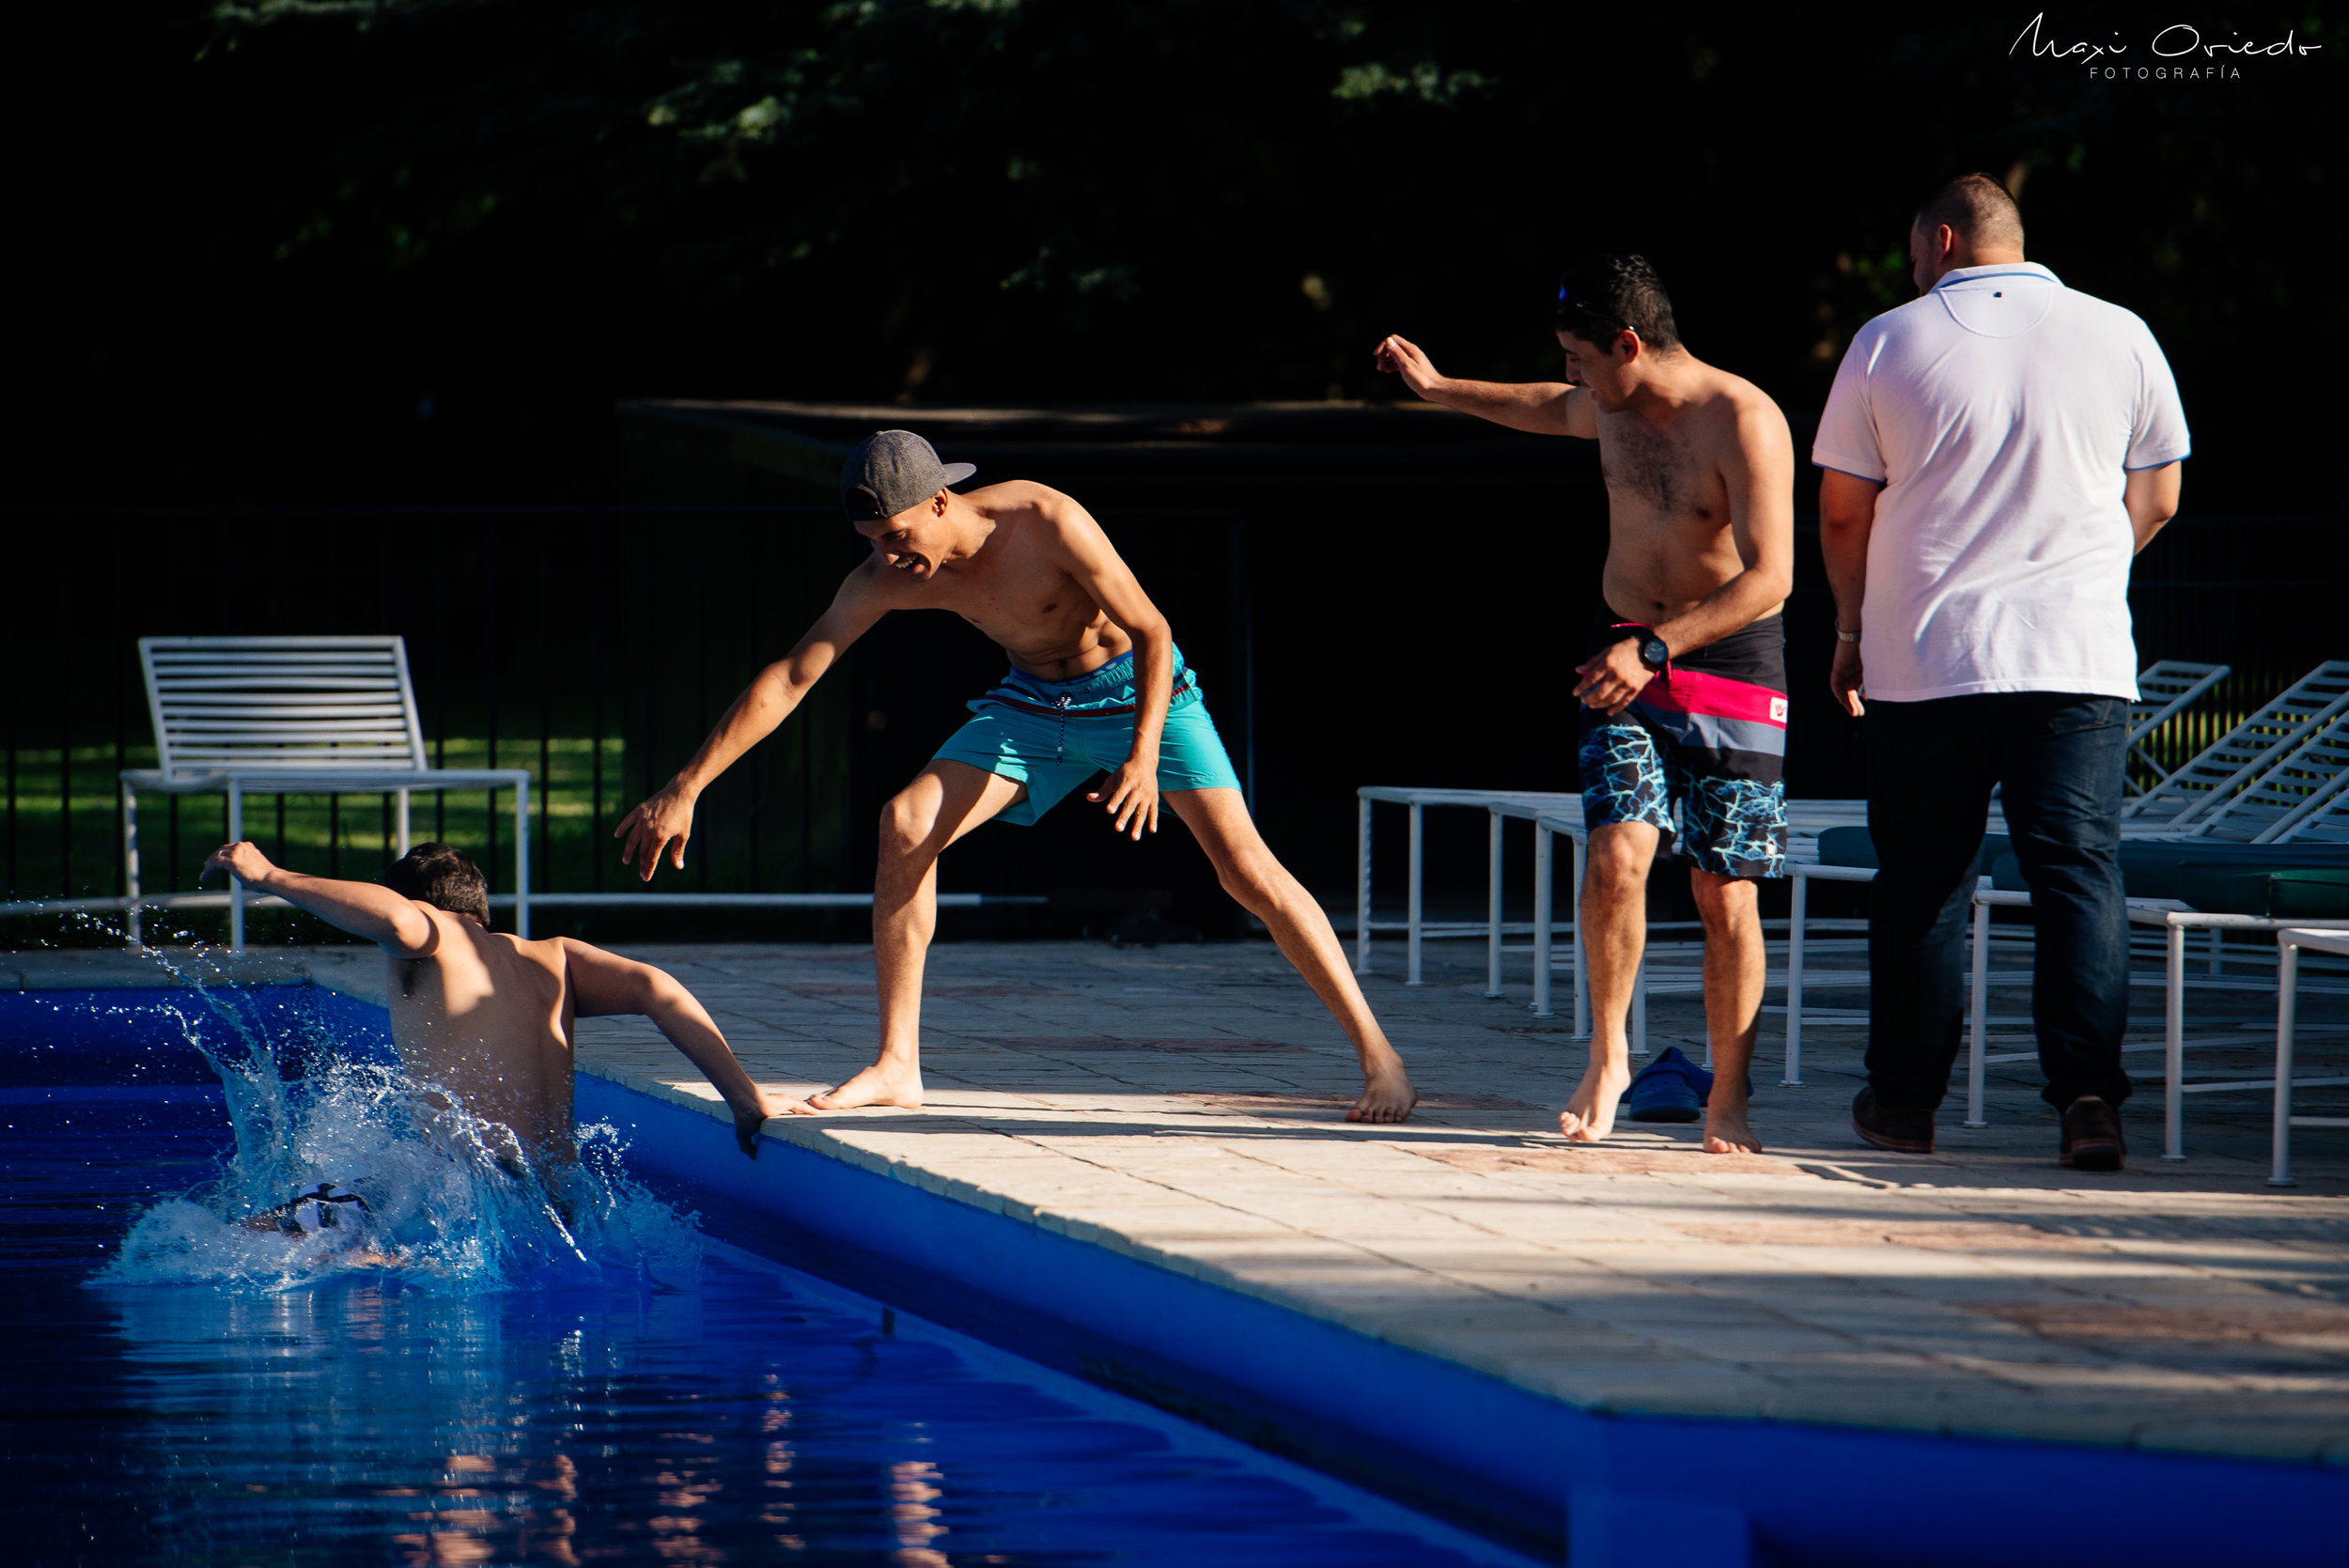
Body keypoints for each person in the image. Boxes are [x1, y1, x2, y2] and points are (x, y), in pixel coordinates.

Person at [612, 429, 1418, 1124]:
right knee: (905, 823)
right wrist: (687, 784)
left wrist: (1141, 755)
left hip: (1143, 693)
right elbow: (792, 675)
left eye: (895, 536)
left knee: (1246, 870)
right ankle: (899, 1065)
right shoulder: (884, 576)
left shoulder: (1044, 519)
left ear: (937, 503)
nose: (888, 557)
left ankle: (1381, 1058)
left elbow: (1152, 628)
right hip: (1033, 705)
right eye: (871, 542)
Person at [1376, 254, 1797, 1154]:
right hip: (1624, 659)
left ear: (1630, 343)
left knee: (1725, 894)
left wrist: (1655, 649)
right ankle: (1608, 1056)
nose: (1569, 372)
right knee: (1616, 855)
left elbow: (1773, 577)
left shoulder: (1743, 418)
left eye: (1578, 354)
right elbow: (1534, 405)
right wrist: (1442, 387)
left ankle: (1728, 1097)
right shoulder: (1609, 407)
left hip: (1729, 663)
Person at [1814, 173, 2187, 1171]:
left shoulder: (1886, 340)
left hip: (1924, 656)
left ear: (1939, 239)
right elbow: (2157, 491)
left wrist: (1850, 625)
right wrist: (2083, 568)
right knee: (2076, 878)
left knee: (1924, 882)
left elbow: (1845, 508)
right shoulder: (2121, 332)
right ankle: (2088, 1101)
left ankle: (1902, 1103)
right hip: (2074, 655)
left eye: (1910, 250)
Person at [201, 839, 795, 1167]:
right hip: (557, 1194)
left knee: (248, 1237)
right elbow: (656, 989)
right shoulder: (554, 956)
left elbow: (399, 918)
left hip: (468, 1191)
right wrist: (744, 1100)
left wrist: (271, 876)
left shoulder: (433, 936)